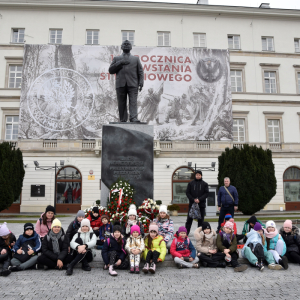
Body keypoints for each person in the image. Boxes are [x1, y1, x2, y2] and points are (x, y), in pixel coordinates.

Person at [108, 39, 144, 122]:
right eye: (125, 44)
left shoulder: (136, 59)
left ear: (131, 47)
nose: (127, 45)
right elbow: (110, 70)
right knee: (121, 103)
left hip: (133, 84)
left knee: (133, 102)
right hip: (120, 84)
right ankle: (123, 119)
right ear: (121, 47)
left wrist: (141, 82)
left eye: (128, 44)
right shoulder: (117, 59)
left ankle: (133, 118)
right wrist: (120, 62)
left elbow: (140, 72)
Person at [185, 170, 209, 235]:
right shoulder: (190, 184)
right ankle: (185, 233)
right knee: (189, 220)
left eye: (199, 175)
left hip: (201, 205)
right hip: (192, 205)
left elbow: (206, 193)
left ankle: (199, 234)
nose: (198, 176)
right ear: (195, 175)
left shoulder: (205, 184)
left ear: (201, 176)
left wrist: (199, 199)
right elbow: (187, 193)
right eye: (197, 175)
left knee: (201, 221)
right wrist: (193, 199)